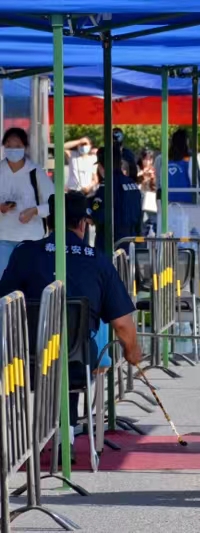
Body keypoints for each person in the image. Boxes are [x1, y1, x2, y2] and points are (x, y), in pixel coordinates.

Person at [0, 192, 141, 448]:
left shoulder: (24, 254)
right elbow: (122, 324)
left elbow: (5, 302)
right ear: (83, 224)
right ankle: (67, 432)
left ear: (49, 223)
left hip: (27, 362)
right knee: (74, 347)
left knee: (57, 345)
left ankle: (29, 439)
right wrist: (132, 353)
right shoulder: (99, 261)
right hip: (78, 364)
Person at [0, 127, 53, 277]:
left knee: (29, 281)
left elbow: (53, 204)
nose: (12, 150)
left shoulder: (35, 172)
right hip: (3, 237)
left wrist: (34, 211)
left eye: (17, 146)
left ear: (25, 147)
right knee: (4, 283)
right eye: (9, 145)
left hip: (31, 239)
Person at [90, 143, 143, 254]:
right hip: (131, 240)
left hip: (111, 242)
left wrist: (90, 211)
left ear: (101, 166)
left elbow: (98, 212)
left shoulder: (107, 186)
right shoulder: (132, 184)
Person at [161, 129, 194, 204]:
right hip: (187, 200)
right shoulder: (189, 160)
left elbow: (161, 182)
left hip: (168, 201)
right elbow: (194, 181)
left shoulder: (166, 160)